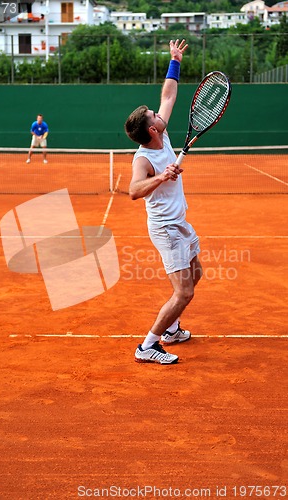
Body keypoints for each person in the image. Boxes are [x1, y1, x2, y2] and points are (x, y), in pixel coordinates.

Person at [124, 39, 203, 365]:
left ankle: (171, 331)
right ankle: (148, 345)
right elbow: (133, 191)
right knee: (184, 292)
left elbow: (168, 94)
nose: (160, 113)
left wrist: (175, 61)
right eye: (155, 115)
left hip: (180, 223)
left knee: (196, 273)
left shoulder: (164, 133)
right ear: (152, 129)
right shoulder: (143, 158)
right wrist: (161, 176)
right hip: (165, 228)